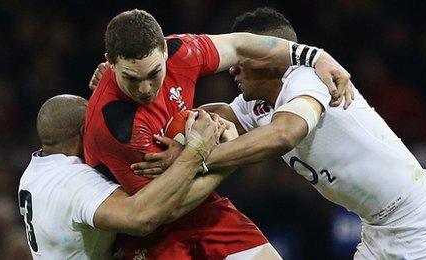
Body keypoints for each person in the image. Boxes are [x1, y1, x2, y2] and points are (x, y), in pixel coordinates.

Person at [131, 7, 426, 259]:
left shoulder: (308, 80)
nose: (232, 67)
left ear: (267, 56)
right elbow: (208, 118)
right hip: (378, 233)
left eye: (243, 57)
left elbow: (283, 135)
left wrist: (194, 156)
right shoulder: (257, 105)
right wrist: (128, 90)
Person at [84, 8, 354, 259]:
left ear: (165, 51)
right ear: (110, 63)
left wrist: (316, 56)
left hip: (197, 201)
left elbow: (239, 44)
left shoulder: (184, 52)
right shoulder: (117, 123)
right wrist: (221, 154)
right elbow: (163, 210)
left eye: (154, 73)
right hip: (147, 226)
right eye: (132, 78)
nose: (145, 89)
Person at [17, 94, 226, 259]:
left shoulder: (35, 172)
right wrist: (200, 153)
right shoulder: (72, 181)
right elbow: (141, 218)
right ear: (85, 131)